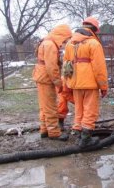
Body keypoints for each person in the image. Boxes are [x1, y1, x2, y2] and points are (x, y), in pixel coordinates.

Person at [63, 16, 108, 148]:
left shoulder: (70, 44)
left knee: (79, 109)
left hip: (75, 84)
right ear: (94, 30)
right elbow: (99, 68)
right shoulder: (94, 44)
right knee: (90, 110)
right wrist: (103, 86)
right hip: (90, 83)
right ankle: (86, 140)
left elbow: (65, 66)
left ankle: (78, 135)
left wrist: (68, 82)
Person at [32, 24, 72, 141]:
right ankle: (54, 132)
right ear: (62, 35)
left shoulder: (47, 42)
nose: (65, 42)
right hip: (46, 78)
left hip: (41, 77)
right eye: (65, 39)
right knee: (50, 107)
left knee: (44, 107)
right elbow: (51, 67)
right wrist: (58, 82)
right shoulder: (50, 45)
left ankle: (44, 130)